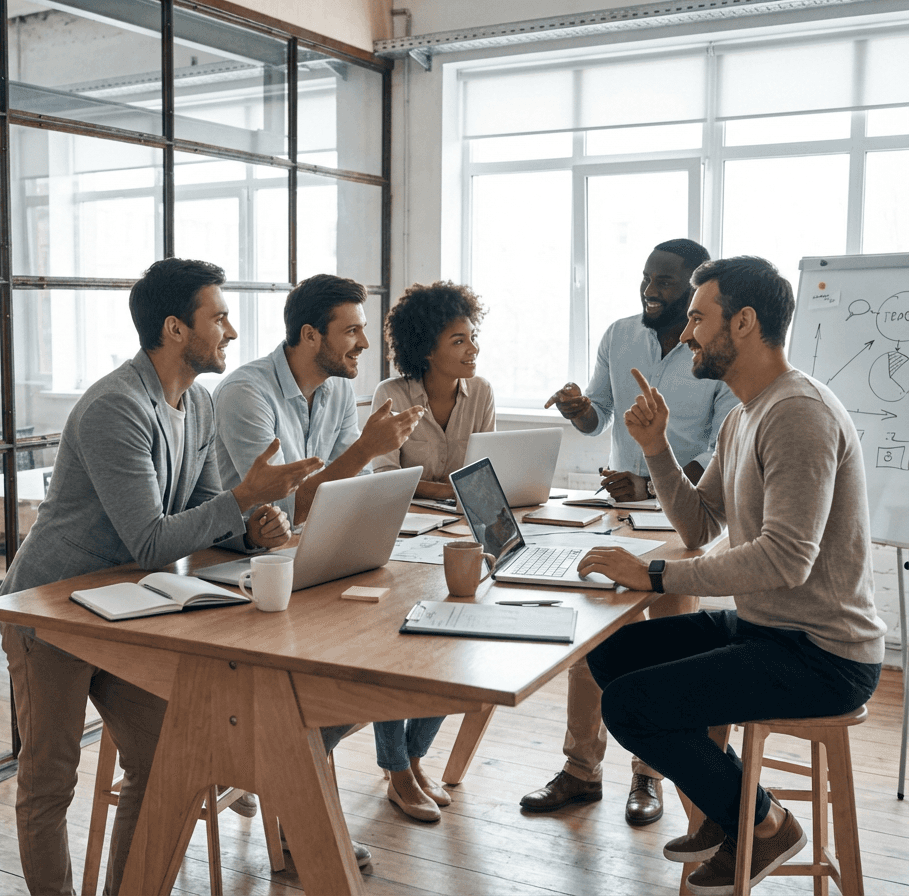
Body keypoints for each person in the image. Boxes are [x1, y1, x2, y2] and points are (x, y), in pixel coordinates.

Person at [0, 257, 324, 896]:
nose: (231, 331)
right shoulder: (115, 408)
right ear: (176, 329)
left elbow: (201, 507)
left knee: (161, 762)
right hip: (51, 610)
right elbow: (150, 540)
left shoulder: (196, 403)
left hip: (125, 606)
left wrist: (252, 524)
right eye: (219, 317)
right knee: (49, 781)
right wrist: (240, 499)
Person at [578, 255, 884, 894]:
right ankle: (735, 809)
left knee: (629, 705)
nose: (686, 333)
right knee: (614, 656)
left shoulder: (797, 413)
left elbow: (784, 559)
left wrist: (654, 575)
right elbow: (700, 525)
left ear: (743, 322)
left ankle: (764, 823)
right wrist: (659, 451)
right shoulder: (743, 414)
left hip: (824, 655)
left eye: (697, 317)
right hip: (770, 630)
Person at [524, 238, 739, 825]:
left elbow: (723, 445)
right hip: (616, 514)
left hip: (684, 520)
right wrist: (577, 407)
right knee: (590, 640)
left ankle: (651, 776)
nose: (650, 289)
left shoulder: (713, 352)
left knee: (664, 647)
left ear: (693, 291)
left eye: (665, 281)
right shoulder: (619, 335)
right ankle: (580, 770)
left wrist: (653, 485)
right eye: (646, 277)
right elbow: (598, 415)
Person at [369, 281, 494, 822]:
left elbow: (486, 475)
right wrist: (447, 489)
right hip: (403, 540)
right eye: (458, 340)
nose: (472, 350)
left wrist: (444, 488)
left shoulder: (481, 392)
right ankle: (397, 771)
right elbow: (385, 477)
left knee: (458, 643)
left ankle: (415, 757)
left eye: (473, 338)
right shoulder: (392, 396)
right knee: (399, 652)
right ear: (426, 348)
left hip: (461, 538)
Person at [215, 273, 424, 527]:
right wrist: (367, 449)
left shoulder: (339, 385)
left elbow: (355, 484)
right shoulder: (245, 393)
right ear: (310, 336)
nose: (365, 343)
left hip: (318, 533)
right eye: (351, 331)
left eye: (363, 329)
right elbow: (284, 511)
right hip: (248, 554)